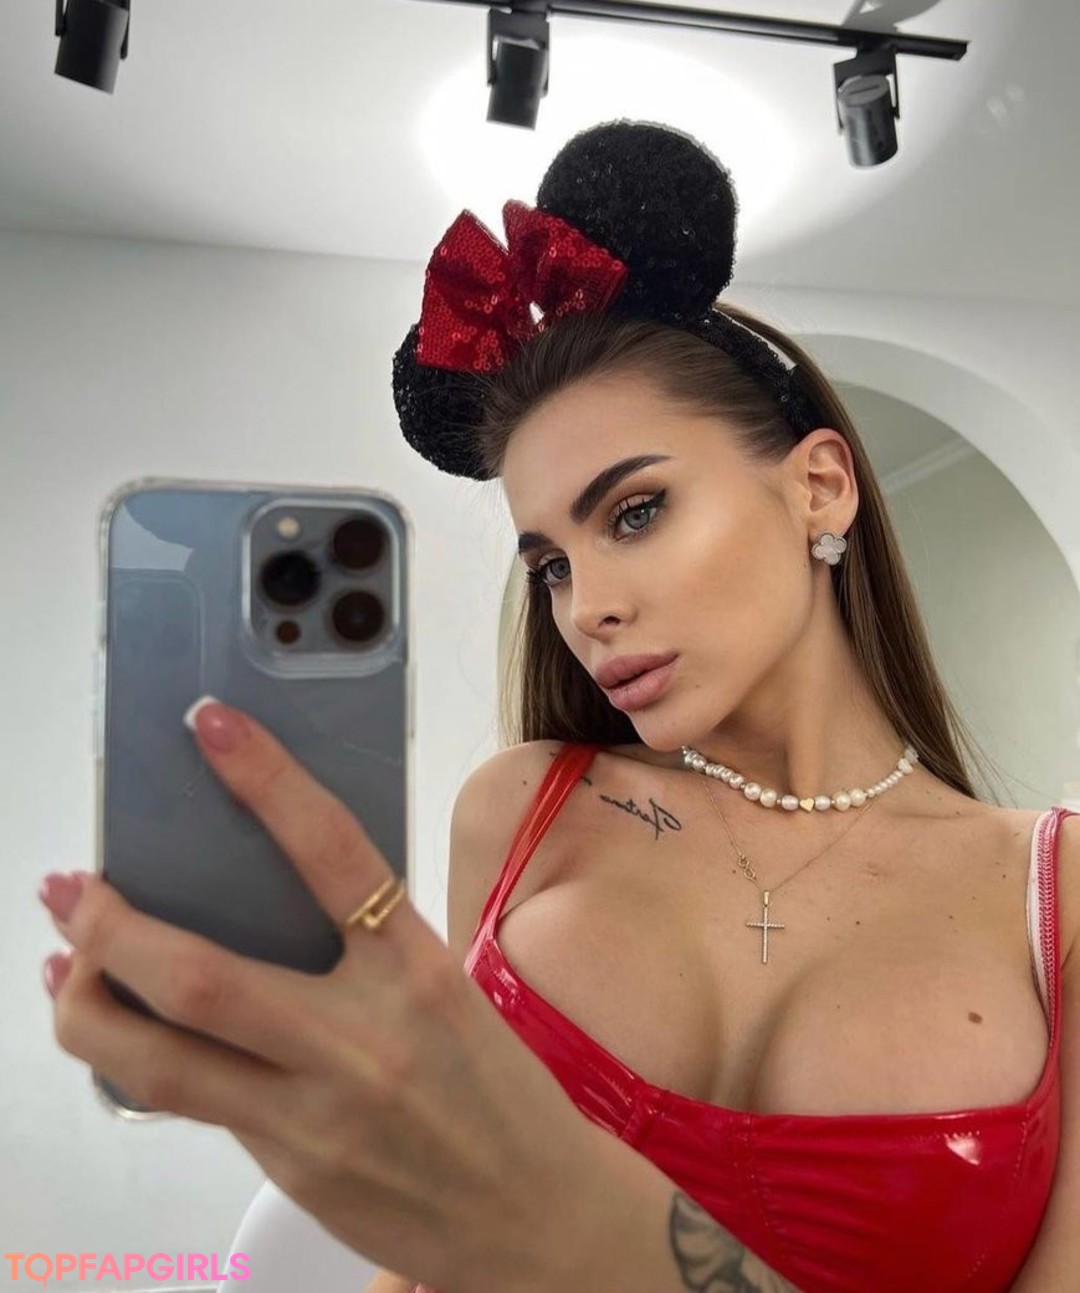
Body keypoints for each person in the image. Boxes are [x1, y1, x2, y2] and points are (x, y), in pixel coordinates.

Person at [38, 121, 1079, 1293]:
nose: (587, 608)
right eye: (550, 564)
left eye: (635, 512)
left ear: (819, 486)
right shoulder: (527, 810)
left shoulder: (1055, 897)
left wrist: (570, 1219)